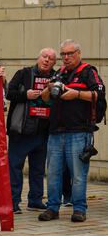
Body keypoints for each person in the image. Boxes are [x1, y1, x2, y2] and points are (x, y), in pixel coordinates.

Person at [38, 39, 104, 222]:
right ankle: (52, 208)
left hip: (79, 132)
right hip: (56, 131)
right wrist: (49, 89)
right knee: (53, 173)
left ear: (79, 54)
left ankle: (79, 209)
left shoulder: (88, 72)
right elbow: (44, 100)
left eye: (70, 54)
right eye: (63, 54)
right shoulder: (59, 73)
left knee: (78, 174)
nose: (66, 58)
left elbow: (99, 95)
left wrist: (77, 94)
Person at [6, 48, 57, 214]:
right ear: (38, 57)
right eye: (44, 56)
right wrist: (25, 94)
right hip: (21, 130)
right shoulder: (24, 74)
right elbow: (9, 93)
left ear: (55, 63)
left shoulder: (57, 77)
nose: (47, 60)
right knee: (14, 167)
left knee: (38, 169)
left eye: (51, 58)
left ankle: (35, 200)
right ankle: (13, 202)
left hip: (43, 131)